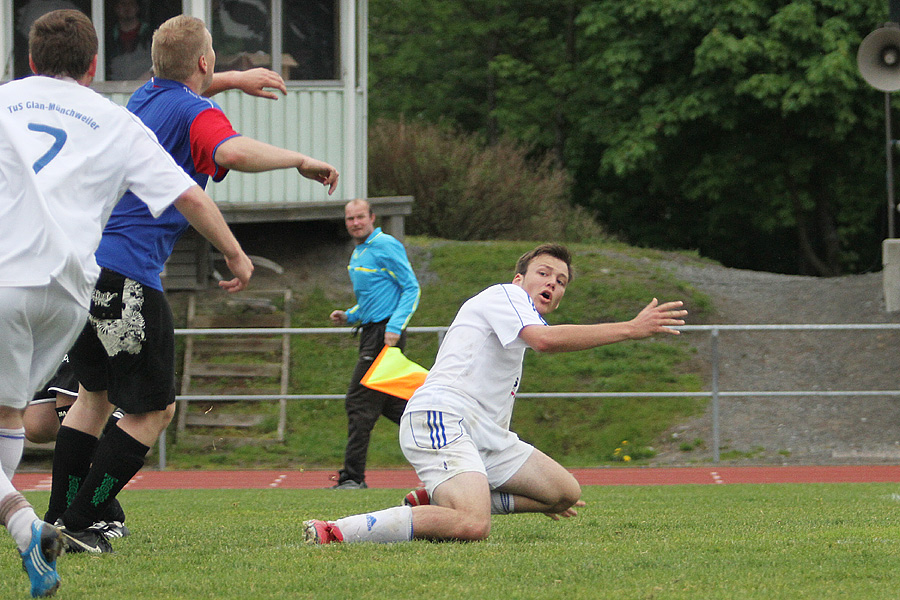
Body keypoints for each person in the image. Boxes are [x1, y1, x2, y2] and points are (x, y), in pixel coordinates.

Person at [45, 13, 338, 555]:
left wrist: (229, 79)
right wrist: (297, 159)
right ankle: (83, 524)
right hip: (128, 272)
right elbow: (228, 152)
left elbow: (181, 84)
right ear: (203, 62)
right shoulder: (197, 111)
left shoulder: (143, 99)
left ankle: (59, 514)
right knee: (153, 411)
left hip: (83, 271)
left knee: (92, 398)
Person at [0, 9, 252, 597]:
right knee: (65, 407)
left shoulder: (8, 100)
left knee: (38, 413)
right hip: (69, 291)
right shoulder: (115, 119)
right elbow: (189, 194)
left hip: (8, 277)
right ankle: (55, 521)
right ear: (92, 67)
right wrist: (236, 254)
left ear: (31, 60)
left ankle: (47, 522)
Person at [304, 243, 687, 545]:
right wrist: (631, 328)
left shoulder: (517, 326)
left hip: (483, 433)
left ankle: (440, 500)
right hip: (442, 414)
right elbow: (545, 341)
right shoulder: (506, 295)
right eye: (543, 273)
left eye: (561, 281)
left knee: (564, 493)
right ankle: (337, 530)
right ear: (519, 280)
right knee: (472, 525)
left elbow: (535, 344)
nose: (552, 283)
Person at [328, 199, 421, 489]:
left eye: (360, 217)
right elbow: (375, 297)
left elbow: (411, 288)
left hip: (384, 335)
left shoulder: (386, 245)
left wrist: (394, 328)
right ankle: (446, 430)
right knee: (391, 406)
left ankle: (353, 478)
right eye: (349, 219)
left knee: (358, 401)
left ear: (372, 218)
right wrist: (349, 315)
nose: (355, 223)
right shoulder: (360, 251)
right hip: (371, 331)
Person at [25, 356, 130, 540]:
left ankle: (103, 515)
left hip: (77, 333)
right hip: (46, 336)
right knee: (37, 426)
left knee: (75, 408)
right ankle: (119, 418)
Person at [105, 0, 153, 80]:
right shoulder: (108, 38)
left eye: (131, 4)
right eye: (123, 4)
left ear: (137, 7)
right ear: (116, 8)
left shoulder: (150, 35)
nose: (127, 8)